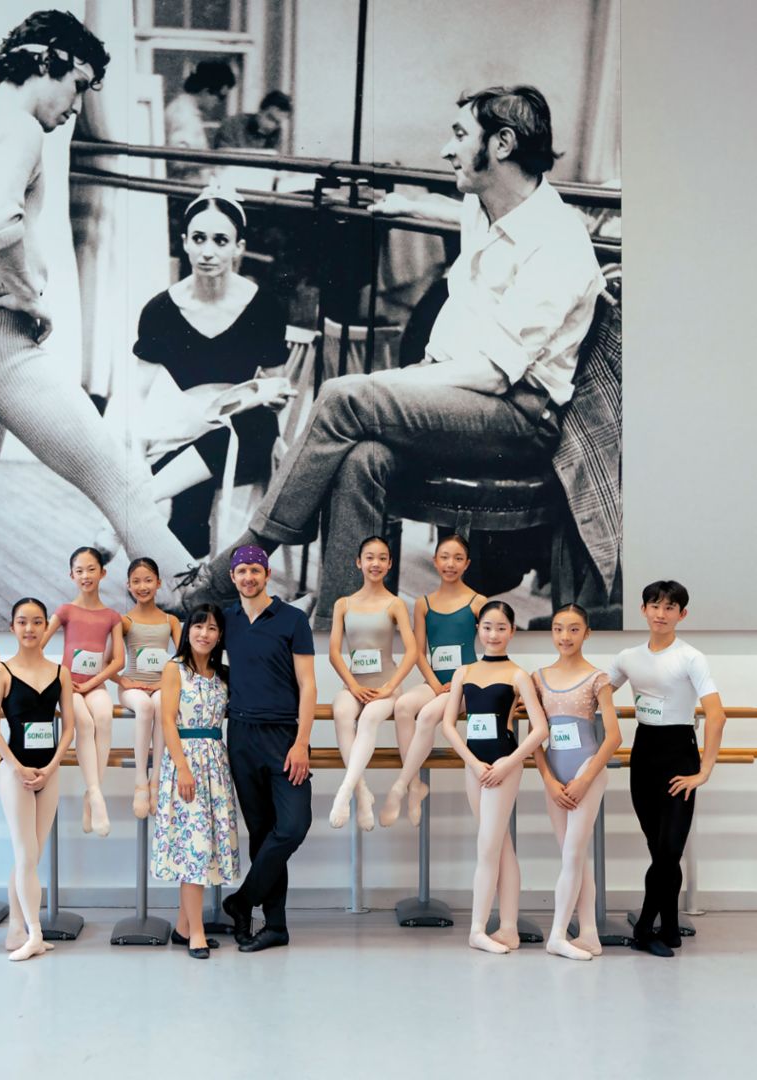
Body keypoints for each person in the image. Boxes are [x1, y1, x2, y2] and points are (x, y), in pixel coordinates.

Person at [183, 85, 605, 625]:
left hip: (515, 416)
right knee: (361, 460)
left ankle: (237, 565)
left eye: (460, 135)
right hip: (463, 395)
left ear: (502, 144)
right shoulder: (489, 206)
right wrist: (408, 204)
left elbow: (496, 374)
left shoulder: (557, 242)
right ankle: (343, 627)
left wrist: (396, 382)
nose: (446, 149)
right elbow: (454, 210)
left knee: (343, 396)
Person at [0, 10, 199, 625]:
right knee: (123, 484)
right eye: (78, 85)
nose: (78, 106)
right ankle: (206, 610)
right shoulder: (18, 130)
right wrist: (24, 296)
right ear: (45, 62)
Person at [130, 188, 293, 557]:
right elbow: (137, 397)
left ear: (238, 247)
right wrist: (136, 453)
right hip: (179, 438)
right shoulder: (160, 310)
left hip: (245, 439)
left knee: (250, 425)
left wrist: (276, 396)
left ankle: (140, 503)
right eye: (199, 238)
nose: (208, 251)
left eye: (220, 241)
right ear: (185, 242)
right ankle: (190, 575)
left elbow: (276, 385)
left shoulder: (264, 306)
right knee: (191, 468)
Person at [609, 581, 725, 957]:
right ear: (643, 610)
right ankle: (670, 926)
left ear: (682, 614)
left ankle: (644, 929)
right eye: (655, 605)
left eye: (670, 607)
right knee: (659, 849)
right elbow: (595, 692)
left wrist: (704, 770)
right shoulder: (627, 657)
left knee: (669, 849)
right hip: (644, 755)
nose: (661, 613)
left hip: (679, 757)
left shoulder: (691, 657)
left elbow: (716, 715)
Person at [220, 546, 316, 952]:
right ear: (232, 576)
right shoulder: (226, 620)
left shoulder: (293, 619)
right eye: (241, 570)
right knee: (261, 833)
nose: (248, 577)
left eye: (255, 570)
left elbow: (308, 685)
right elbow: (197, 658)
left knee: (292, 826)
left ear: (267, 573)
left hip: (284, 737)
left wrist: (301, 742)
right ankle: (275, 925)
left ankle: (241, 901)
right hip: (241, 735)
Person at [441, 600, 548, 954]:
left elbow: (540, 728)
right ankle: (509, 929)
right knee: (501, 846)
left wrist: (508, 763)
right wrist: (472, 762)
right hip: (475, 767)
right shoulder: (464, 672)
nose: (493, 634)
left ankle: (477, 929)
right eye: (487, 627)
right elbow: (448, 725)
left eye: (501, 628)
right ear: (478, 629)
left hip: (504, 765)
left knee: (487, 846)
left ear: (512, 632)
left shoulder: (518, 675)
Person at [0, 597, 76, 961]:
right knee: (25, 853)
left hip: (48, 770)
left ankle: (15, 930)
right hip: (15, 771)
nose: (30, 628)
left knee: (32, 856)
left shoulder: (60, 672)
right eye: (22, 622)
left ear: (46, 627)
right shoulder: (1, 672)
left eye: (37, 621)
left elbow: (68, 728)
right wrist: (17, 767)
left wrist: (52, 767)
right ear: (12, 627)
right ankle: (34, 932)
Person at [151, 605, 240, 959]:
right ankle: (197, 934)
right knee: (195, 850)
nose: (204, 633)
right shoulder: (174, 669)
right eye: (199, 626)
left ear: (220, 636)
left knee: (205, 847)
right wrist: (182, 768)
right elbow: (167, 721)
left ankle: (183, 928)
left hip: (215, 764)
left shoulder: (223, 675)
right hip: (186, 763)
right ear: (187, 631)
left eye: (212, 628)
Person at [532, 603, 620, 960]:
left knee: (572, 855)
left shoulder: (599, 679)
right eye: (558, 629)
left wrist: (585, 779)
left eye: (573, 629)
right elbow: (534, 737)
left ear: (587, 633)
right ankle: (589, 934)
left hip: (587, 771)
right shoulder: (538, 678)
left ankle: (557, 934)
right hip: (554, 775)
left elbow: (614, 737)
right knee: (575, 858)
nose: (564, 636)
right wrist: (548, 780)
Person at [380, 534, 487, 827]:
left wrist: (463, 681)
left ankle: (400, 786)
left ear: (467, 564)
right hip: (436, 683)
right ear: (435, 561)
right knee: (403, 706)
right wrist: (435, 684)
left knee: (427, 715)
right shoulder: (423, 604)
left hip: (466, 686)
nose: (450, 564)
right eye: (445, 557)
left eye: (458, 558)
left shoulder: (478, 602)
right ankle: (415, 785)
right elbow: (418, 651)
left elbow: (492, 650)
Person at [327, 536, 417, 830]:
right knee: (342, 712)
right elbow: (334, 653)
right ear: (358, 562)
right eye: (369, 557)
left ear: (390, 564)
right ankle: (361, 791)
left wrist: (390, 688)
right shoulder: (343, 604)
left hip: (385, 687)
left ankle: (344, 792)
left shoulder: (395, 604)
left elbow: (412, 651)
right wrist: (353, 687)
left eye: (382, 558)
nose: (375, 563)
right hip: (354, 685)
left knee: (368, 719)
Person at [41, 546, 122, 836]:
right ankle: (97, 797)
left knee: (104, 717)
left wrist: (91, 683)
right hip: (68, 686)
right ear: (71, 575)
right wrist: (55, 677)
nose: (85, 575)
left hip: (94, 685)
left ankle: (92, 793)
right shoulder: (65, 611)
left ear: (103, 573)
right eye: (79, 570)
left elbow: (119, 661)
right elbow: (36, 646)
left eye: (91, 569)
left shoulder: (112, 616)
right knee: (84, 724)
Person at [112, 557, 181, 818]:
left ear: (158, 583)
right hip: (132, 686)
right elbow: (109, 661)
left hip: (161, 685)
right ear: (128, 585)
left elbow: (183, 659)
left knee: (161, 704)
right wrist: (123, 681)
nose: (143, 586)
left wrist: (167, 682)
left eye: (148, 580)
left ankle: (157, 780)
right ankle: (141, 781)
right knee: (144, 706)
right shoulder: (124, 621)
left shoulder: (170, 620)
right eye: (136, 581)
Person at [164, 60, 237, 183]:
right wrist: (216, 159)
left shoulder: (187, 109)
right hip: (181, 189)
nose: (219, 103)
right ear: (206, 90)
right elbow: (178, 160)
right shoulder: (183, 114)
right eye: (220, 96)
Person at [214, 90, 292, 152]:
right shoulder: (232, 125)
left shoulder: (277, 135)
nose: (271, 126)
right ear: (260, 111)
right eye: (270, 118)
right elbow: (223, 157)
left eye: (277, 123)